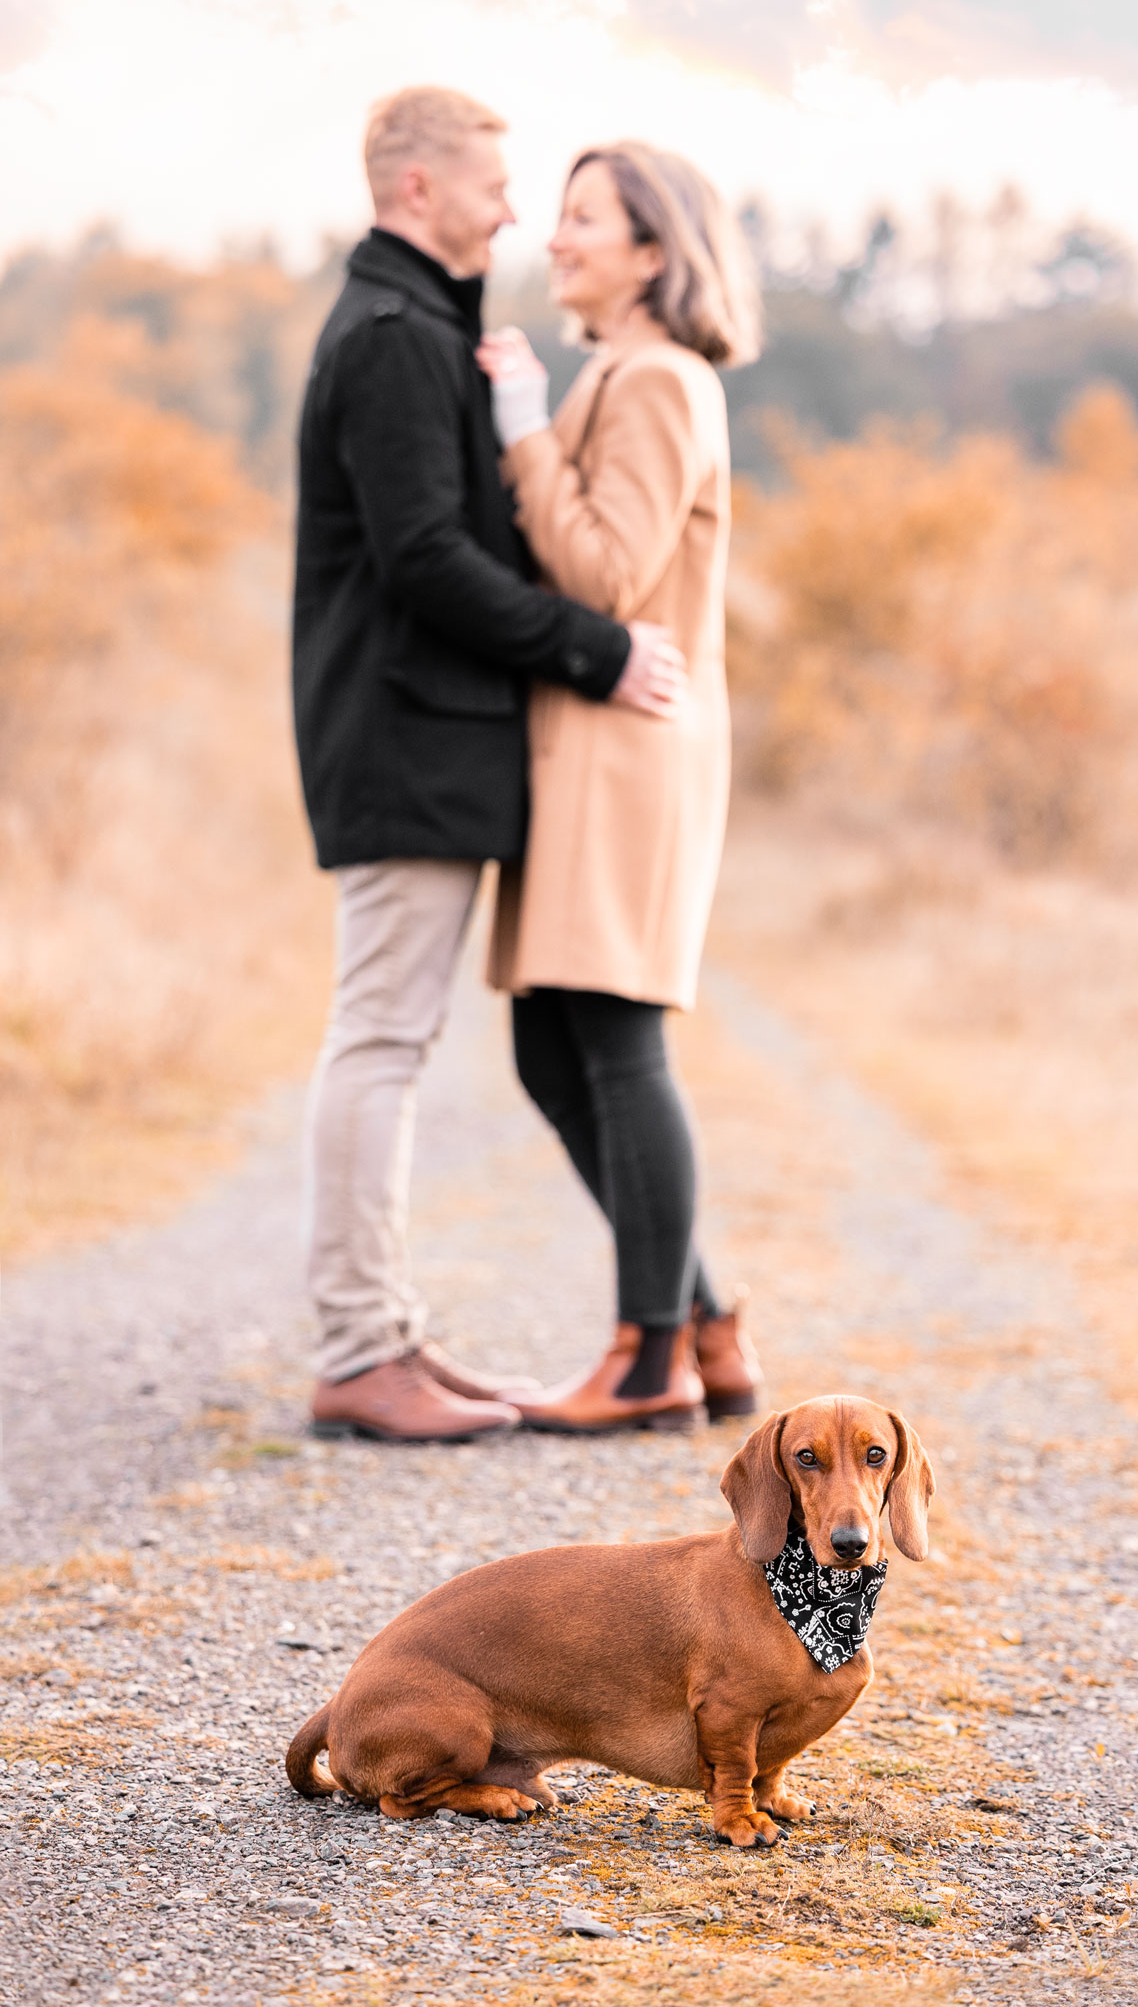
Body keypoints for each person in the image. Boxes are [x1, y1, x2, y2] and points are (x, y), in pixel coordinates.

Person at [293, 90, 688, 1444]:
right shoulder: (397, 335)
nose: (514, 210)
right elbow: (423, 558)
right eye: (494, 185)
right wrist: (593, 650)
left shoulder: (424, 326)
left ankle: (389, 1334)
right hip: (402, 739)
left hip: (426, 738)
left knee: (393, 1036)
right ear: (415, 189)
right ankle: (359, 1347)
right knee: (383, 1037)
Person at [477, 142, 766, 1433]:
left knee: (612, 1034)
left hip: (626, 750)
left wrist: (524, 433)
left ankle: (648, 1360)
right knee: (555, 1043)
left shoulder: (652, 381)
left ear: (655, 251)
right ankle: (705, 1321)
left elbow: (604, 574)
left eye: (584, 218)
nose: (557, 235)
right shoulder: (626, 373)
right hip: (588, 748)